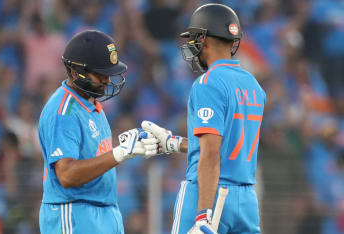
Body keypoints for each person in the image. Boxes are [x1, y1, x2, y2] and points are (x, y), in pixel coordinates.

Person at [141, 4, 266, 234]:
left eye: (194, 39)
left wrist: (203, 215)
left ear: (204, 40)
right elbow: (227, 143)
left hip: (209, 193)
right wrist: (174, 143)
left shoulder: (208, 83)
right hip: (246, 199)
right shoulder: (254, 86)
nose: (191, 45)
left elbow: (210, 153)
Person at [37, 30, 158, 234]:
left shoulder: (91, 104)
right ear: (75, 72)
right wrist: (120, 153)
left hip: (105, 212)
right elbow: (66, 175)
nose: (108, 80)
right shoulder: (63, 111)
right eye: (100, 74)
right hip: (74, 213)